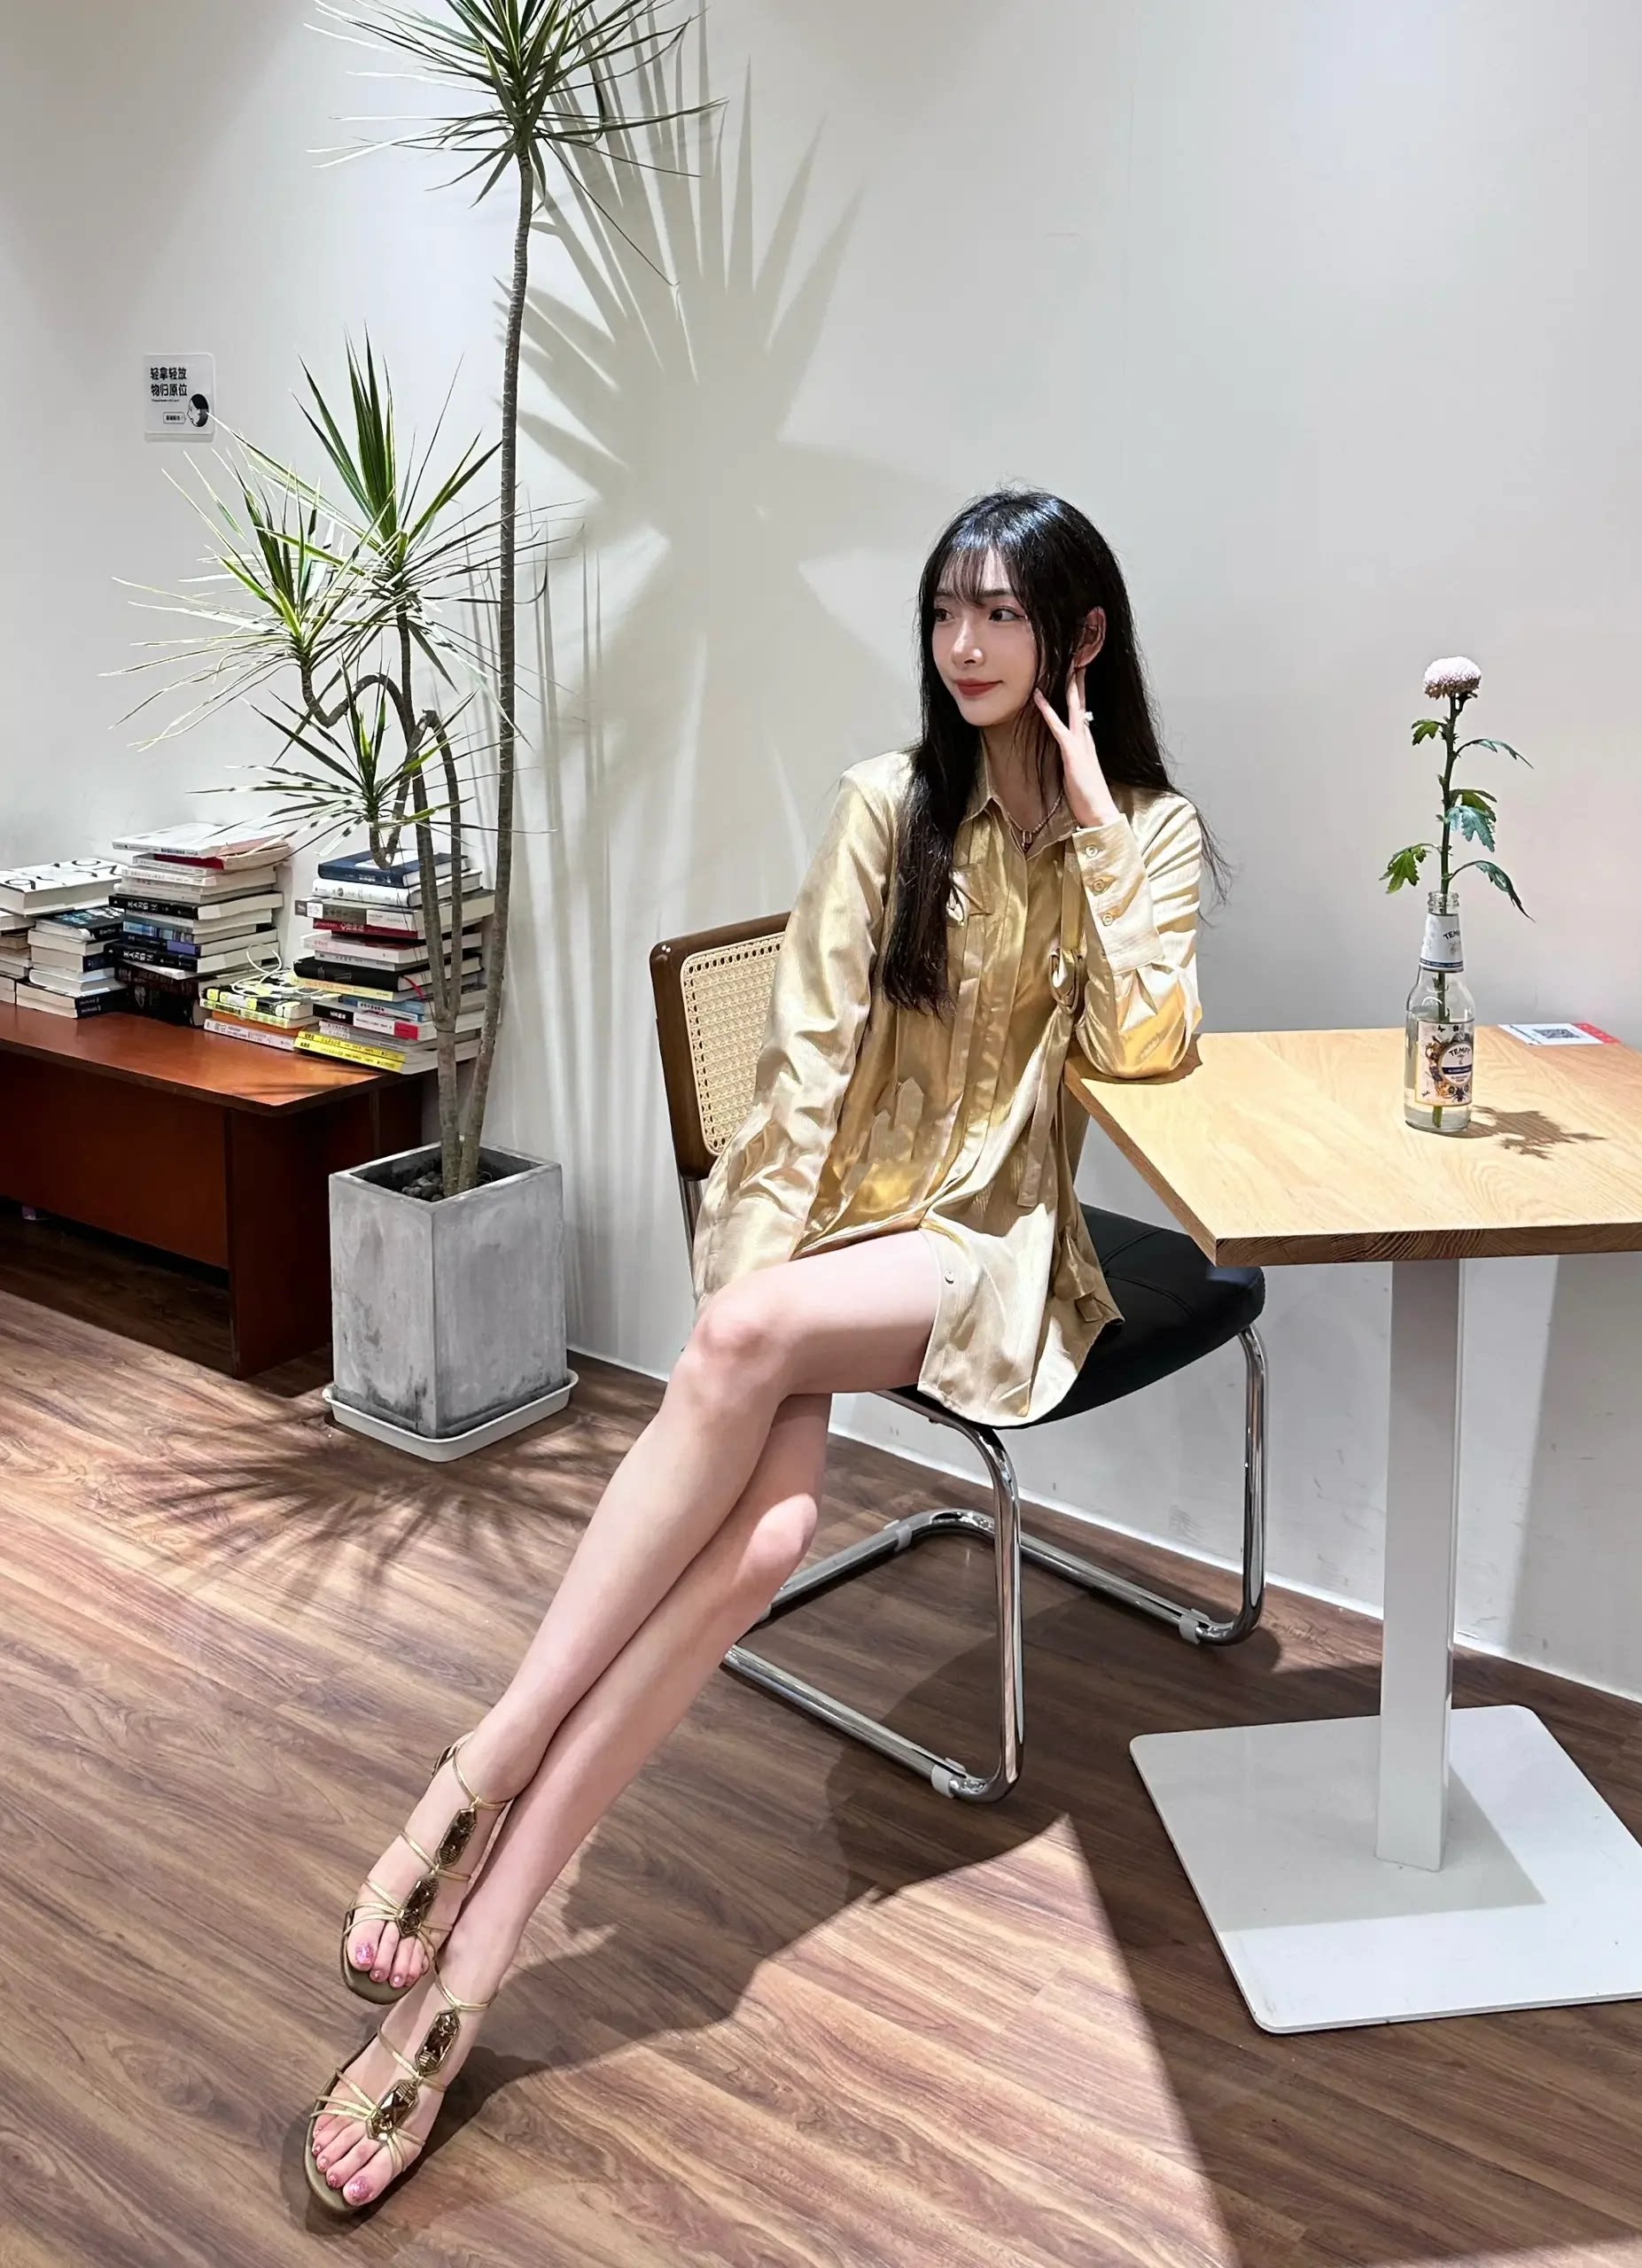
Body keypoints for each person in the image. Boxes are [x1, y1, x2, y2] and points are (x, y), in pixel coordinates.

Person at [305, 485, 1223, 2212]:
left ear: (1080, 636)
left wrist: (1099, 822)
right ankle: (473, 1964)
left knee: (745, 1372)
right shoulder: (889, 804)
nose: (964, 644)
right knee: (767, 1538)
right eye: (945, 609)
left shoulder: (1152, 834)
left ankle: (479, 1767)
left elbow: (1149, 1050)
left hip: (995, 1252)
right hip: (830, 1236)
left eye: (1002, 613)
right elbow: (796, 1085)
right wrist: (744, 1299)